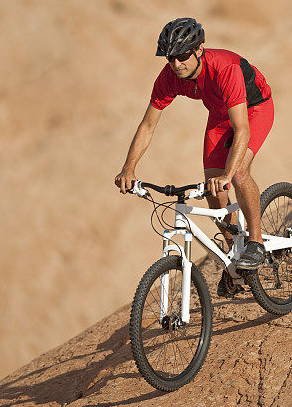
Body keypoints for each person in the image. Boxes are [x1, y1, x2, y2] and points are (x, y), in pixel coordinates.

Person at [115, 17, 274, 296]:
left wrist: (227, 173)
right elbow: (148, 125)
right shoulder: (168, 77)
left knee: (235, 174)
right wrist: (129, 168)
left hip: (253, 109)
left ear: (199, 49)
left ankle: (256, 243)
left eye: (182, 56)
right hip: (219, 114)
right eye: (170, 58)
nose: (176, 64)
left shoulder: (224, 69)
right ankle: (234, 255)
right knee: (211, 189)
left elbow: (242, 129)